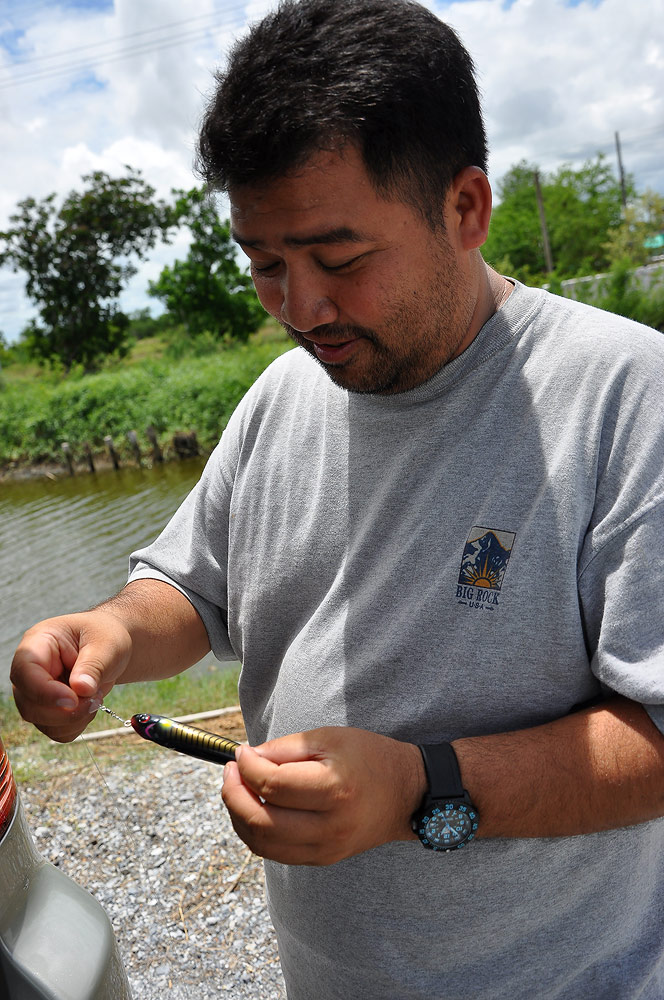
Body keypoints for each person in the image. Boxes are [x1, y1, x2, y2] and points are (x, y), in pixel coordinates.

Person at [11, 1, 664, 996]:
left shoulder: (624, 397)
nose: (299, 309)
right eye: (265, 265)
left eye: (339, 260)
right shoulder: (287, 394)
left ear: (466, 208)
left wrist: (419, 786)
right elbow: (193, 589)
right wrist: (107, 634)